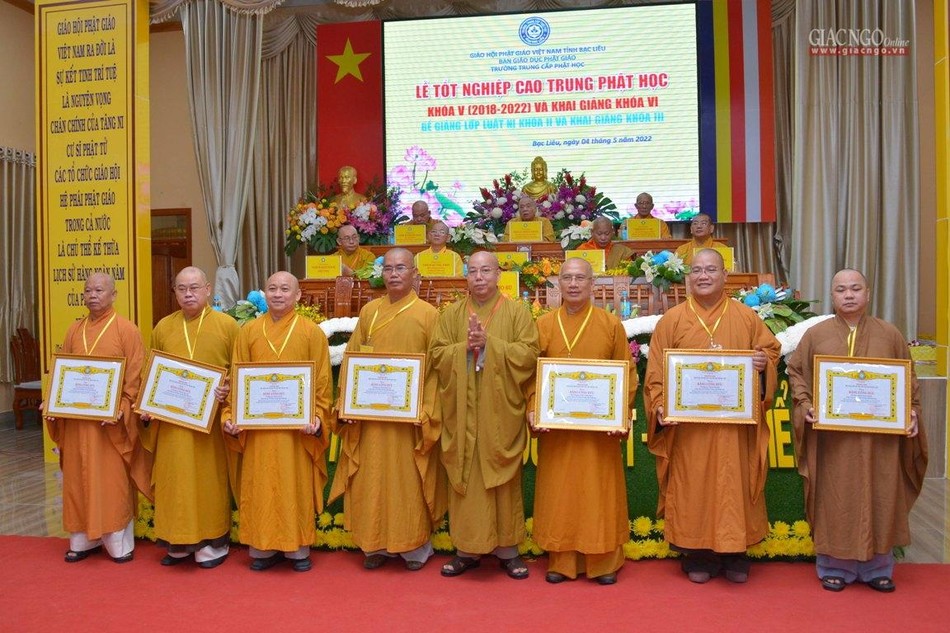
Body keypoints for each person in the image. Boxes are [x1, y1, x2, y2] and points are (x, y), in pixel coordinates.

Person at [786, 269, 928, 593]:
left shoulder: (889, 335)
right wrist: (805, 403)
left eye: (855, 288)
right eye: (841, 289)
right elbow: (796, 371)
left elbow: (909, 381)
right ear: (832, 295)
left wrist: (911, 413)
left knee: (881, 494)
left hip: (881, 439)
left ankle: (878, 567)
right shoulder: (816, 334)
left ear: (867, 293)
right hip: (835, 440)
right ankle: (834, 565)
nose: (848, 295)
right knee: (836, 496)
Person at [644, 249, 780, 584]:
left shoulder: (745, 317)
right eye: (697, 270)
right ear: (688, 276)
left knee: (734, 483)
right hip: (690, 430)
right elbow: (656, 370)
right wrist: (660, 404)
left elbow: (770, 349)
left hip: (734, 429)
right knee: (693, 484)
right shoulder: (672, 319)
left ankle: (735, 554)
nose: (703, 276)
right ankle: (697, 553)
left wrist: (763, 363)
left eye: (711, 270)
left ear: (725, 275)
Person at [328, 249, 444, 571]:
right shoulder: (370, 312)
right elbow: (353, 360)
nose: (394, 274)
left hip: (408, 419)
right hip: (372, 418)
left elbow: (435, 368)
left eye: (401, 268)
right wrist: (346, 404)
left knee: (407, 480)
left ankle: (414, 547)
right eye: (388, 268)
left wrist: (425, 408)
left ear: (413, 274)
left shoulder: (428, 314)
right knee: (372, 477)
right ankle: (374, 543)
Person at [429, 251, 540, 579]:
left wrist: (490, 344)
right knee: (467, 475)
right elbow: (436, 354)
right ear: (466, 276)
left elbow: (530, 354)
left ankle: (508, 550)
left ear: (498, 274)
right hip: (461, 411)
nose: (479, 277)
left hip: (499, 411)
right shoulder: (450, 315)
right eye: (473, 271)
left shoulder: (517, 313)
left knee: (501, 479)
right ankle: (466, 550)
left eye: (486, 271)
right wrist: (464, 346)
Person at [527, 258, 637, 585]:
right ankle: (561, 560)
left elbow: (627, 372)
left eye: (580, 278)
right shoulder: (543, 325)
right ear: (557, 284)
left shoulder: (610, 324)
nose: (573, 284)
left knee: (598, 491)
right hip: (557, 430)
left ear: (592, 284)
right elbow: (531, 375)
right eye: (567, 278)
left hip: (598, 433)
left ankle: (603, 562)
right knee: (560, 491)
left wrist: (620, 413)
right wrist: (534, 407)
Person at [222, 271, 332, 572]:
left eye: (285, 289)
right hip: (259, 432)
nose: (278, 294)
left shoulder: (311, 332)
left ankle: (298, 548)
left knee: (292, 485)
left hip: (295, 434)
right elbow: (237, 378)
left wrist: (318, 419)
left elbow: (322, 384)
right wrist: (230, 417)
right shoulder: (248, 332)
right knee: (261, 485)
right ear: (264, 293)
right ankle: (261, 547)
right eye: (272, 288)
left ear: (298, 295)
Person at [44, 272, 152, 563]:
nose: (93, 295)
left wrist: (123, 408)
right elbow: (62, 374)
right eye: (88, 290)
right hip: (79, 424)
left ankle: (117, 540)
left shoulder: (127, 330)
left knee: (111, 481)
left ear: (113, 295)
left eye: (99, 290)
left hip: (110, 427)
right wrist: (53, 402)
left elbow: (134, 379)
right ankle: (83, 539)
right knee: (78, 480)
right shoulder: (73, 330)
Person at [141, 266, 240, 569]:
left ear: (208, 289)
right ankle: (177, 541)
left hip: (209, 424)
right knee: (176, 480)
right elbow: (151, 372)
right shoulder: (163, 326)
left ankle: (213, 541)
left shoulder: (228, 326)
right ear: (174, 292)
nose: (188, 294)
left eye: (194, 288)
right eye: (181, 288)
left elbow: (239, 371)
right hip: (171, 424)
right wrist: (147, 406)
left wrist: (228, 392)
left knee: (207, 481)